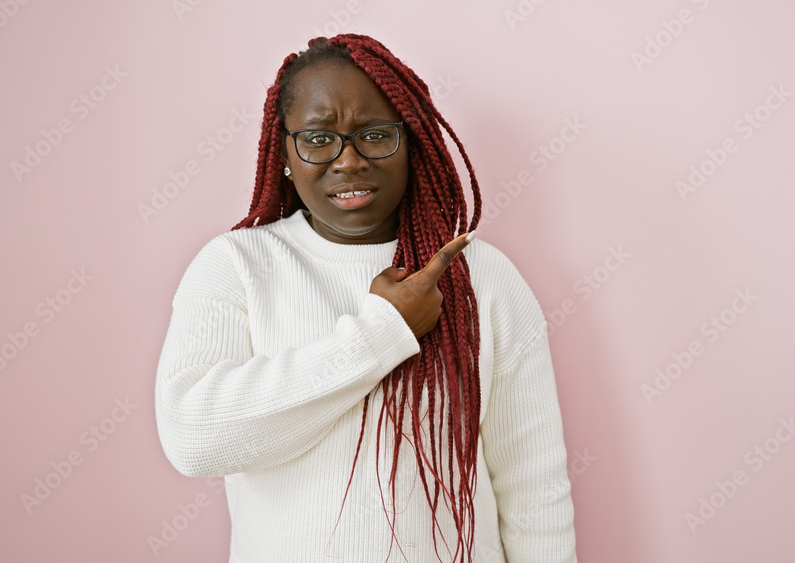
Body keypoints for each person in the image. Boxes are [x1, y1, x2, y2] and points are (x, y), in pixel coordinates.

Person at [154, 33, 577, 562]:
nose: (348, 161)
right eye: (317, 138)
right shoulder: (237, 266)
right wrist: (383, 331)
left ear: (412, 141)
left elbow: (533, 484)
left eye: (375, 135)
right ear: (283, 150)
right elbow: (194, 440)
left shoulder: (482, 277)